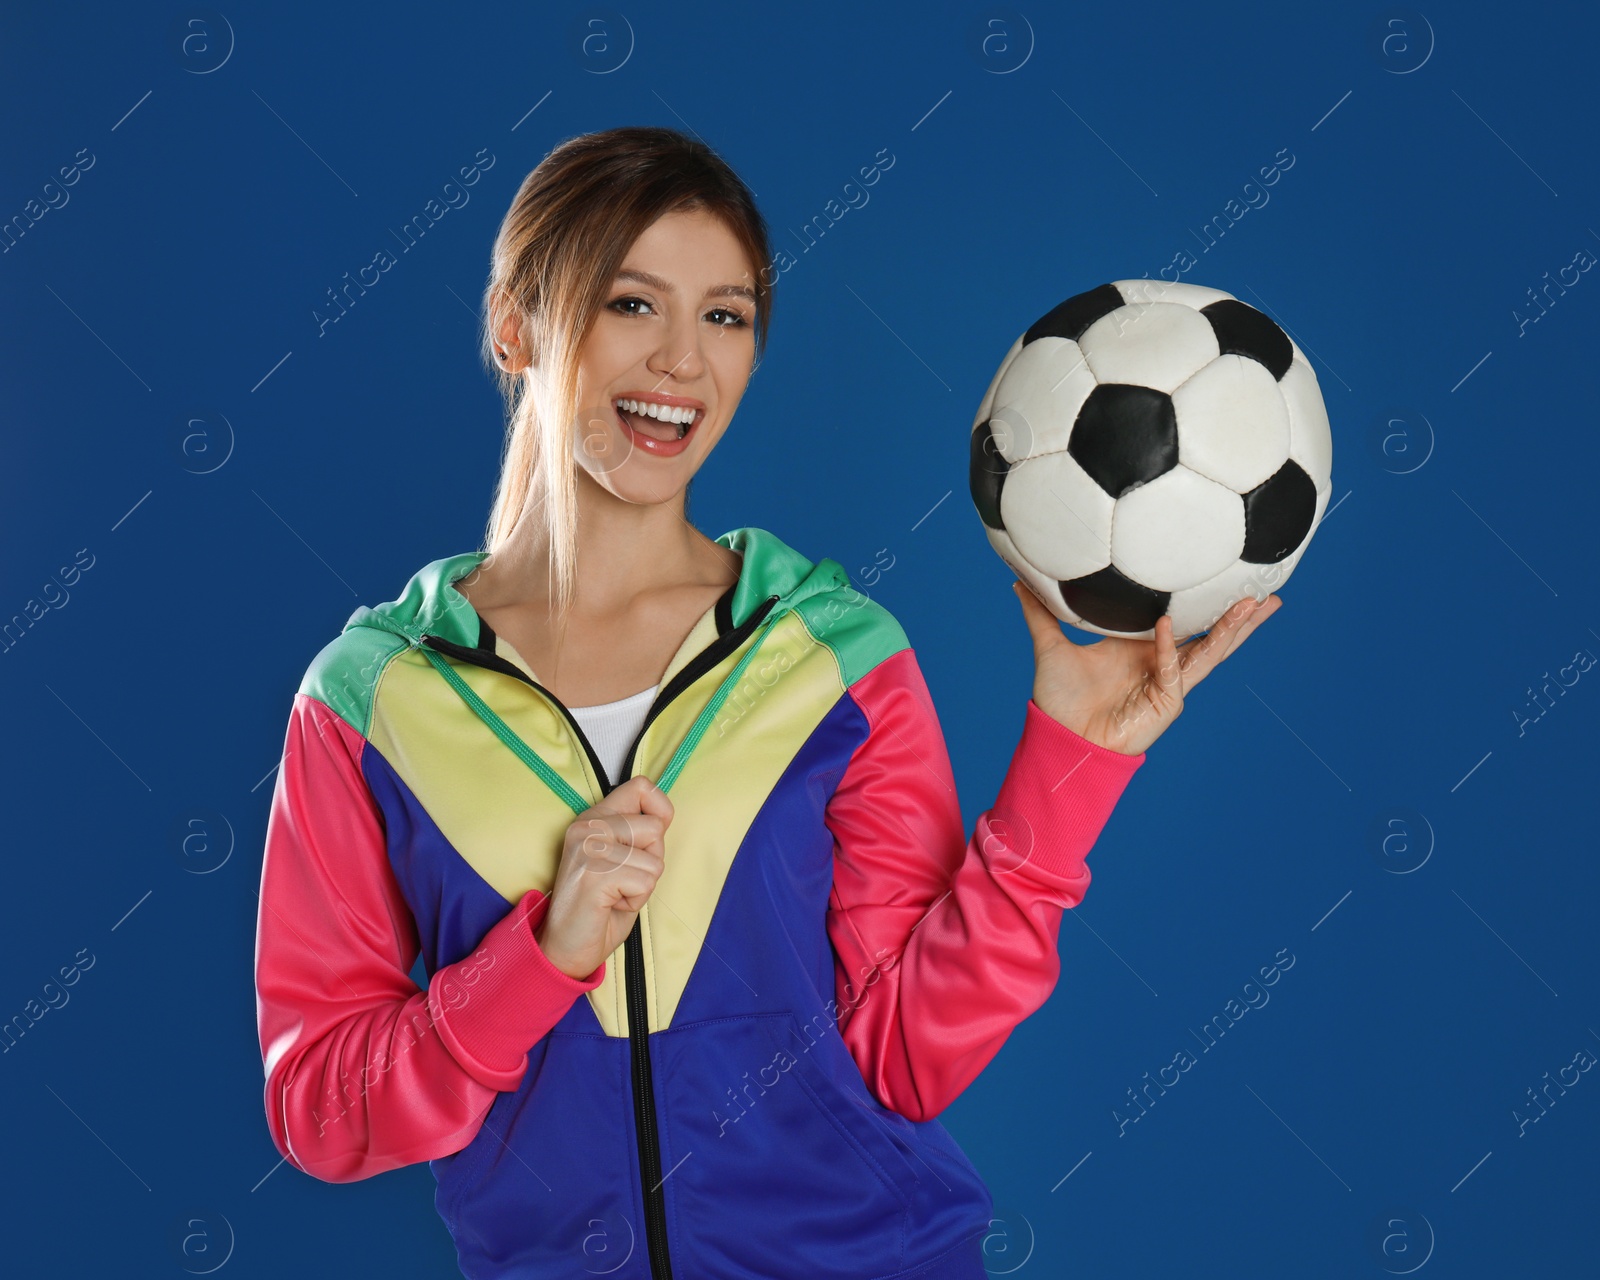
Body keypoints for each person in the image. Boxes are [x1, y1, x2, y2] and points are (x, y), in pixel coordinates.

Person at [253, 125, 1280, 1280]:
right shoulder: (369, 701)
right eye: (632, 304)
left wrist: (1073, 766)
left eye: (726, 315)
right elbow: (321, 1110)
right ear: (515, 324)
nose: (682, 361)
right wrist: (538, 958)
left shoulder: (830, 656)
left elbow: (905, 1056)